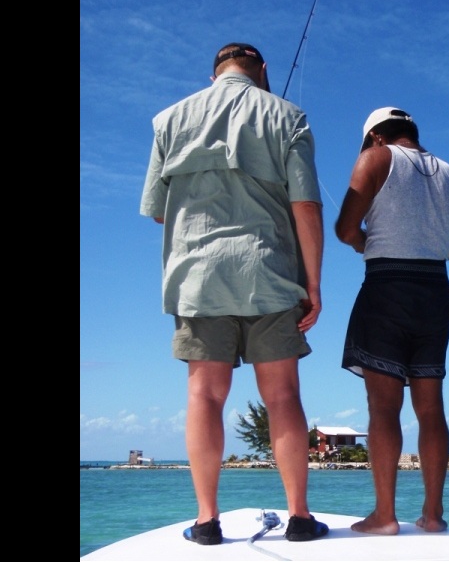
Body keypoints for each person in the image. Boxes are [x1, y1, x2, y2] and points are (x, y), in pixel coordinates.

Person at [140, 42, 329, 545]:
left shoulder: (168, 120)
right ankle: (300, 518)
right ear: (262, 72)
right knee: (283, 395)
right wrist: (313, 284)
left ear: (212, 75)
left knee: (204, 396)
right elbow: (306, 205)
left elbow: (159, 210)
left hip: (196, 278)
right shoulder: (289, 116)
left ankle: (206, 522)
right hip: (269, 273)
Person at [335, 107, 449, 535]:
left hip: (387, 286)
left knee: (384, 407)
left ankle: (385, 516)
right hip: (435, 290)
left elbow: (344, 228)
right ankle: (432, 515)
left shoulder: (376, 157)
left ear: (377, 136)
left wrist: (367, 242)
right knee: (431, 407)